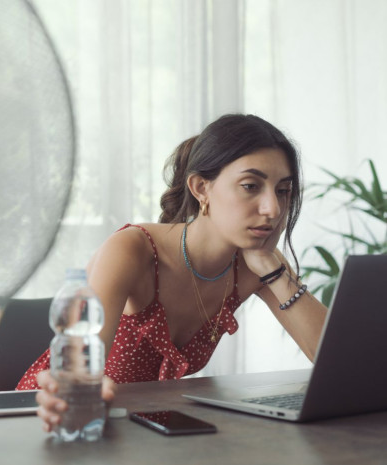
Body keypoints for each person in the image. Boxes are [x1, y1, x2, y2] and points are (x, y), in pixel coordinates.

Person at [17, 114, 327, 432]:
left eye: (283, 191)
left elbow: (335, 365)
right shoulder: (132, 249)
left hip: (135, 426)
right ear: (201, 188)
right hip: (45, 417)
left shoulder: (260, 264)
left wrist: (272, 270)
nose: (272, 209)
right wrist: (82, 396)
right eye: (251, 186)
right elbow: (80, 374)